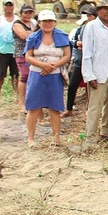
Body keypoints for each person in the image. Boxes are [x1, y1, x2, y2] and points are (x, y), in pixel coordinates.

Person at [23, 10, 71, 147]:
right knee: (33, 106)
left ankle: (57, 139)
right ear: (40, 23)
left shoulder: (62, 36)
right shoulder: (33, 37)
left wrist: (53, 66)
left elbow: (67, 55)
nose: (48, 24)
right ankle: (31, 139)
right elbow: (28, 56)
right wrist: (43, 65)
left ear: (55, 22)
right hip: (37, 74)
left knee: (54, 107)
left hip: (55, 75)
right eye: (45, 21)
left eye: (50, 21)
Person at [81, 0, 108, 146]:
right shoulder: (91, 26)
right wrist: (89, 75)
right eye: (104, 9)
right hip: (97, 69)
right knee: (96, 104)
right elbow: (86, 52)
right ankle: (91, 137)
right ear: (98, 11)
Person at [62, 7, 97, 118]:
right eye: (87, 16)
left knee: (91, 87)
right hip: (79, 62)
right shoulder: (80, 29)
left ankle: (90, 109)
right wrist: (77, 43)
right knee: (73, 85)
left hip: (93, 63)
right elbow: (71, 42)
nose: (88, 18)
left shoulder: (98, 30)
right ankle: (69, 108)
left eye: (90, 15)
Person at [0, 0, 20, 95]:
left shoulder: (18, 20)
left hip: (15, 51)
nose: (8, 7)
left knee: (15, 74)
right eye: (6, 5)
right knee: (1, 75)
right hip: (2, 51)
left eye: (10, 5)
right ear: (3, 7)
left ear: (13, 6)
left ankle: (16, 91)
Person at [12, 4, 37, 113]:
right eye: (25, 12)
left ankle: (33, 101)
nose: (28, 15)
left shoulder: (33, 23)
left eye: (30, 12)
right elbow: (23, 36)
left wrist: (32, 33)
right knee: (24, 76)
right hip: (21, 53)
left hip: (33, 53)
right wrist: (35, 32)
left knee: (33, 76)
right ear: (21, 13)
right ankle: (22, 103)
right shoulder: (17, 24)